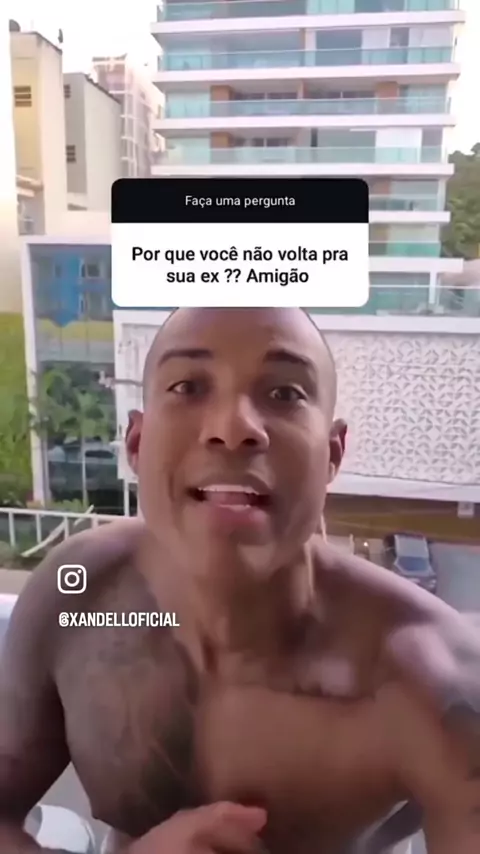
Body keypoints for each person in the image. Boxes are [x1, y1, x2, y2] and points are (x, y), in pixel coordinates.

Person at [1, 306, 479, 854]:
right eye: (188, 386)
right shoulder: (75, 597)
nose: (233, 429)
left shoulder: (435, 687)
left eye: (284, 393)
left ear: (332, 454)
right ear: (136, 442)